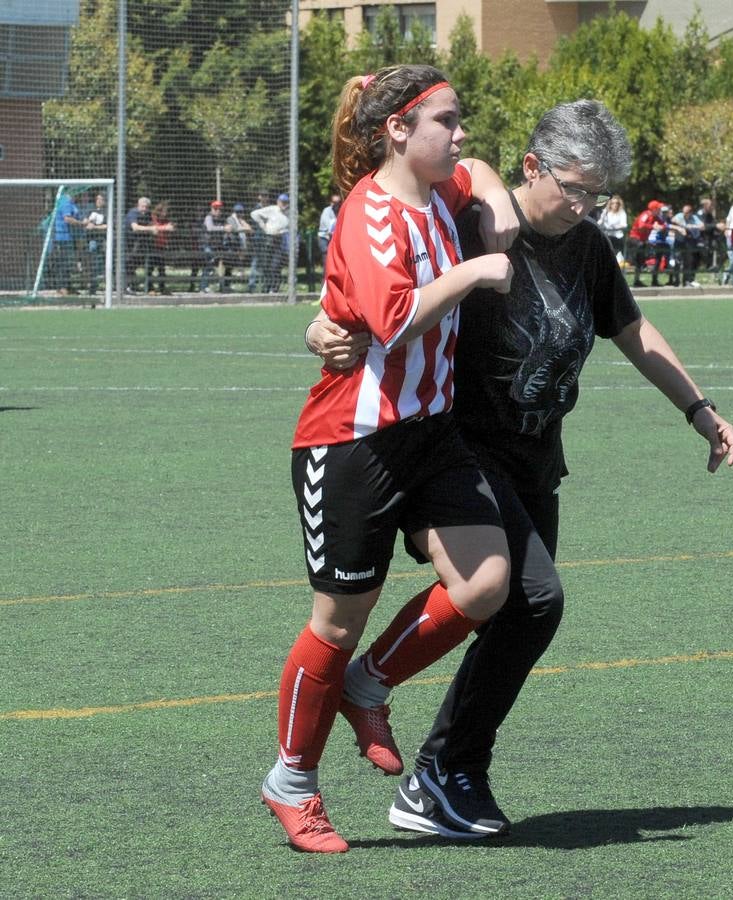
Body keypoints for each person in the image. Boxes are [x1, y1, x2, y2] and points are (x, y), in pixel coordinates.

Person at [309, 100, 733, 841]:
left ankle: (443, 774)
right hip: (454, 452)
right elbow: (377, 258)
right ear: (533, 167)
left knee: (527, 613)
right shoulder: (477, 218)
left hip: (536, 459)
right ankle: (437, 758)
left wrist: (698, 408)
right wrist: (321, 325)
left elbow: (632, 331)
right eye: (573, 188)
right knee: (533, 597)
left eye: (598, 195)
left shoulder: (589, 248)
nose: (584, 206)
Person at [259, 63, 520, 854]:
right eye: (447, 119)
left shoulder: (440, 192)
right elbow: (394, 318)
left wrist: (498, 201)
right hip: (351, 441)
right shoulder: (370, 213)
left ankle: (369, 686)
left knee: (485, 581)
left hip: (430, 433)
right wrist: (476, 268)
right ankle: (292, 782)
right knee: (335, 624)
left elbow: (479, 172)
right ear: (399, 131)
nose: (461, 133)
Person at [251, 193, 290, 292]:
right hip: (269, 239)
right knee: (266, 265)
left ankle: (274, 288)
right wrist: (263, 226)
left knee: (276, 265)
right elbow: (254, 214)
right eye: (282, 202)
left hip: (281, 240)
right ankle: (267, 287)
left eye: (286, 202)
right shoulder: (272, 209)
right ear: (278, 202)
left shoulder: (290, 212)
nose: (284, 204)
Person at [627, 199, 663, 287]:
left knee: (641, 260)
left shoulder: (656, 217)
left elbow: (663, 224)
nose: (660, 210)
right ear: (654, 209)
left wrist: (661, 226)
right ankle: (633, 263)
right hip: (635, 239)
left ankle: (637, 280)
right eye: (658, 208)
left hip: (643, 241)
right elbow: (641, 225)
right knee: (639, 256)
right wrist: (653, 226)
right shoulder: (646, 214)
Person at [124, 197, 156, 293]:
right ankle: (127, 286)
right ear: (138, 205)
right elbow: (135, 227)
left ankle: (146, 286)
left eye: (146, 207)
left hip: (142, 244)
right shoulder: (133, 213)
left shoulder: (148, 214)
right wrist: (150, 229)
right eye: (142, 207)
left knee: (149, 264)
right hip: (129, 244)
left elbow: (152, 226)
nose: (144, 209)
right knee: (129, 264)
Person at [200, 200, 232, 293]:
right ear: (212, 209)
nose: (218, 211)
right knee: (209, 265)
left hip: (218, 246)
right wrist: (223, 228)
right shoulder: (208, 217)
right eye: (215, 209)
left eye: (219, 209)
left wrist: (228, 228)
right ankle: (203, 287)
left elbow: (228, 227)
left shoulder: (222, 219)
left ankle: (223, 286)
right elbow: (210, 228)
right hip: (208, 245)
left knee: (226, 262)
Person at [672, 202, 703, 287]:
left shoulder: (694, 218)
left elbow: (702, 226)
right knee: (677, 261)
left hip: (689, 241)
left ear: (690, 213)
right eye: (684, 212)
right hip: (679, 241)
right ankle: (676, 280)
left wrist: (693, 226)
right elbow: (673, 220)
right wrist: (683, 226)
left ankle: (686, 281)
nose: (684, 214)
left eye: (686, 213)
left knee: (688, 262)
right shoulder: (679, 215)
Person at [148, 201, 176, 294]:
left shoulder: (166, 220)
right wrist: (164, 227)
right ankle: (149, 288)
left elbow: (171, 227)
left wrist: (170, 227)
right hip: (152, 246)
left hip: (162, 246)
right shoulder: (153, 217)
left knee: (162, 269)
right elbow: (153, 228)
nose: (165, 215)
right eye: (163, 212)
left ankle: (162, 288)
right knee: (150, 268)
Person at [84, 192, 108, 295]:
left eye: (101, 199)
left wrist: (95, 227)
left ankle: (100, 283)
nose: (98, 201)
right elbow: (85, 220)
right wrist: (87, 222)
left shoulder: (107, 212)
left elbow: (107, 226)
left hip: (102, 240)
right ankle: (92, 285)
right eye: (97, 199)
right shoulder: (91, 210)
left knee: (100, 263)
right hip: (91, 240)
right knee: (92, 261)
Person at [225, 203, 253, 288]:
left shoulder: (241, 220)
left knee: (233, 265)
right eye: (238, 212)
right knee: (229, 266)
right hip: (230, 245)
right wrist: (245, 228)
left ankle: (228, 285)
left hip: (238, 246)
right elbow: (234, 229)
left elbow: (250, 229)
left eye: (241, 212)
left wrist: (243, 223)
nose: (240, 214)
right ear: (234, 212)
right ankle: (226, 286)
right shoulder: (230, 218)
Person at [597, 194, 627, 266]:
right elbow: (600, 222)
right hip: (607, 236)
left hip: (617, 237)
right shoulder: (606, 212)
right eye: (613, 203)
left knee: (614, 255)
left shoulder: (621, 213)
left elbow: (624, 225)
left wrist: (615, 227)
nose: (615, 205)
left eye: (617, 203)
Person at [317, 193, 341, 261]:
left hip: (334, 238)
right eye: (334, 202)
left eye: (338, 202)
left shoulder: (340, 210)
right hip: (324, 237)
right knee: (327, 258)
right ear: (331, 202)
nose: (336, 204)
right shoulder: (326, 211)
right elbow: (330, 228)